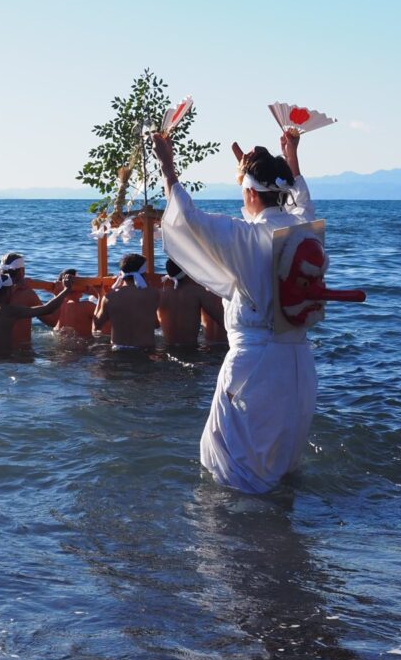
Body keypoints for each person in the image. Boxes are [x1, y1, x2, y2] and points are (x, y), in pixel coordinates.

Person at [152, 128, 318, 493]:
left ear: (249, 193)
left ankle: (241, 545)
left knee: (234, 470)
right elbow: (301, 203)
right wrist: (291, 159)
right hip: (299, 367)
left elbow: (188, 218)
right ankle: (287, 544)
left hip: (254, 367)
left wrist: (168, 165)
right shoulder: (304, 229)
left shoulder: (246, 235)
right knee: (283, 471)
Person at [0, 270, 73, 358]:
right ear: (9, 291)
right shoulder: (11, 311)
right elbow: (48, 309)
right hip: (3, 361)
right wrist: (65, 290)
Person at [93, 253, 160, 350]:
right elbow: (156, 325)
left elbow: (97, 326)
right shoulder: (153, 294)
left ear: (121, 274)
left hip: (118, 349)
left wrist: (100, 296)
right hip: (145, 350)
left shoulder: (110, 297)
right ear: (144, 274)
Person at [158, 258, 226, 349]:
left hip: (167, 348)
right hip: (191, 349)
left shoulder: (160, 294)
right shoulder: (197, 292)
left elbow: (153, 324)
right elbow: (220, 318)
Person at [51, 271, 98, 340]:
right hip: (82, 348)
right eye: (80, 282)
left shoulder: (58, 306)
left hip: (59, 346)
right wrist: (96, 293)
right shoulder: (87, 307)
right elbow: (108, 314)